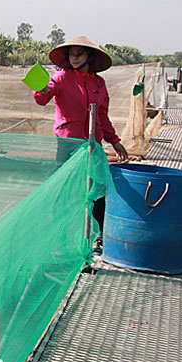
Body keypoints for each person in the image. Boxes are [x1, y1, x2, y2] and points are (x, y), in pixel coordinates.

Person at [32, 36, 128, 244]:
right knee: (67, 187)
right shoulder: (61, 78)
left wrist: (114, 140)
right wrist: (41, 88)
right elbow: (42, 98)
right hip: (68, 143)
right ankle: (60, 232)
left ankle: (99, 236)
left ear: (89, 56)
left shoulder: (99, 83)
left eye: (79, 53)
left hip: (93, 144)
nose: (74, 58)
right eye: (71, 54)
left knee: (97, 189)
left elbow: (102, 115)